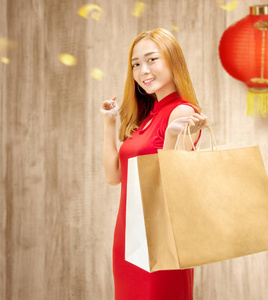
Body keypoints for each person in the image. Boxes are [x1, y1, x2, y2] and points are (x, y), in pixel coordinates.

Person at [100, 28, 208, 299]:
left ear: (173, 60)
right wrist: (109, 123)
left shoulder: (182, 111)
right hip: (128, 233)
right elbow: (114, 176)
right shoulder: (148, 115)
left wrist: (172, 134)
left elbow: (173, 181)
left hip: (160, 236)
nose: (142, 70)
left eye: (151, 59)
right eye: (136, 64)